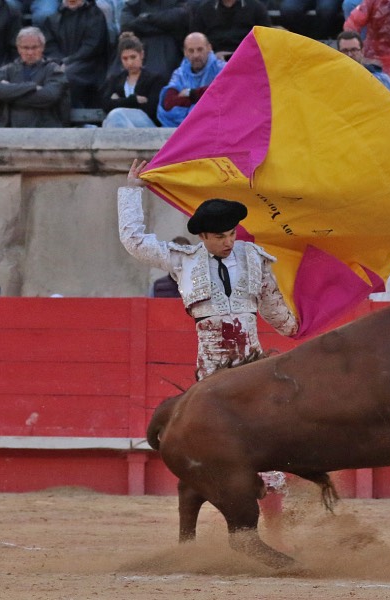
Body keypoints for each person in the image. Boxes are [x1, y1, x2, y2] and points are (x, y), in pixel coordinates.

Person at [120, 159, 296, 499]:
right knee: (217, 442)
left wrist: (301, 327)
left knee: (267, 438)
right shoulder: (182, 259)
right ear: (202, 236)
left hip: (252, 365)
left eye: (232, 233)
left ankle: (276, 526)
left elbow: (275, 309)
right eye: (220, 236)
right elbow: (134, 241)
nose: (229, 241)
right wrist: (131, 191)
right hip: (211, 370)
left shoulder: (254, 257)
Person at [0, 26, 70, 127]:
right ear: (18, 49)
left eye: (34, 47)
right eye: (25, 48)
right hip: (10, 128)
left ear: (42, 47)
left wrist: (10, 94)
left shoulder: (54, 70)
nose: (30, 52)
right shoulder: (6, 70)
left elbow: (50, 96)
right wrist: (32, 87)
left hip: (45, 130)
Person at [42, 0, 108, 109]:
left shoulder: (95, 15)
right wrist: (59, 61)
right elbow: (50, 45)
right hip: (59, 63)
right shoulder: (52, 19)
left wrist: (67, 61)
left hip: (89, 64)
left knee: (66, 76)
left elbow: (91, 46)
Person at [335, 31, 390, 118]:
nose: (350, 54)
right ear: (338, 52)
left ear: (362, 51)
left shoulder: (382, 80)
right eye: (345, 51)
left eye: (354, 50)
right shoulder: (332, 81)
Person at [156, 31, 225, 127]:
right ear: (185, 52)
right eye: (191, 51)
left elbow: (224, 95)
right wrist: (202, 100)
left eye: (200, 49)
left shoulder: (222, 69)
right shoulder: (179, 74)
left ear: (209, 48)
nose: (196, 55)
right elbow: (169, 103)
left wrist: (190, 93)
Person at [101, 32, 165, 127]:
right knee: (114, 117)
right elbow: (106, 105)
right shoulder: (115, 79)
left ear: (141, 55)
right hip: (119, 122)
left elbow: (151, 109)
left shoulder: (155, 79)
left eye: (133, 57)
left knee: (115, 115)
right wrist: (133, 100)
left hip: (147, 126)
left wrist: (118, 101)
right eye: (125, 59)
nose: (129, 63)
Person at [118, 0, 188, 80]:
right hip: (138, 46)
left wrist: (147, 17)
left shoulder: (175, 2)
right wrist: (162, 26)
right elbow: (126, 24)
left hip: (167, 49)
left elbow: (178, 17)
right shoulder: (133, 4)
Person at [188, 0, 270, 62]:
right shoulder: (204, 9)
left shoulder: (257, 8)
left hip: (247, 59)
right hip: (214, 61)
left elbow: (266, 42)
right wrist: (211, 55)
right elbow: (195, 39)